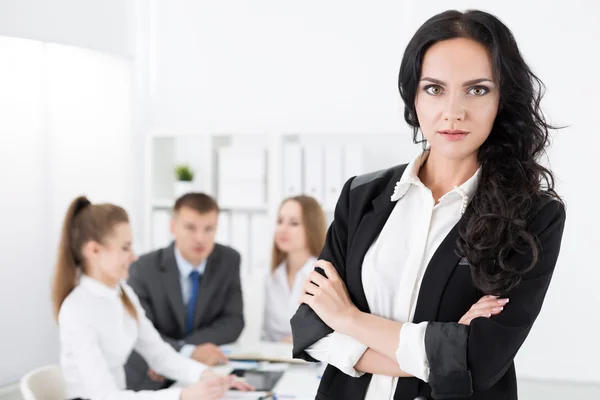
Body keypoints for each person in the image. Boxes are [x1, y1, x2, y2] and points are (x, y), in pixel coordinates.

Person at [290, 9, 566, 400]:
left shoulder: (534, 216)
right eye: (435, 88)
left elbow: (481, 360)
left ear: (503, 99)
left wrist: (348, 318)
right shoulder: (361, 195)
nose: (453, 111)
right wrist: (438, 352)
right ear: (413, 95)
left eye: (478, 89)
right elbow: (311, 328)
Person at [52, 196, 252, 400]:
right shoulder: (77, 310)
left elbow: (159, 354)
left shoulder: (122, 294)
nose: (134, 256)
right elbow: (105, 397)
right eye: (125, 248)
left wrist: (207, 376)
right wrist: (182, 395)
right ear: (94, 251)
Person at [126, 193, 244, 390]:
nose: (200, 238)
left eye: (209, 229)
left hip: (201, 372)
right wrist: (186, 351)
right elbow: (139, 330)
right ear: (173, 227)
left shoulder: (229, 260)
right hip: (149, 376)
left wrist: (189, 350)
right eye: (190, 228)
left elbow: (233, 321)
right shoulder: (143, 268)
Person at [262, 196, 327, 343]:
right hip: (273, 360)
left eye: (294, 223)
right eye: (280, 221)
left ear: (312, 228)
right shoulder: (270, 276)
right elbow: (264, 333)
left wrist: (295, 341)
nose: (282, 229)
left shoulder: (325, 276)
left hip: (314, 362)